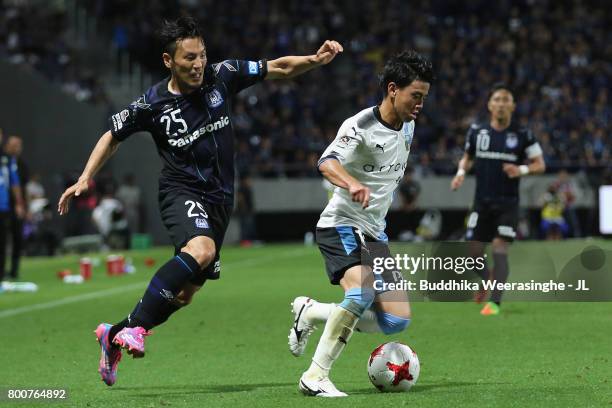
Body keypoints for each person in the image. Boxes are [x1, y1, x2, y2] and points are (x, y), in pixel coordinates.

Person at [57, 16, 343, 387]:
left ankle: (113, 335)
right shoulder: (152, 103)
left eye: (202, 55)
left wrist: (315, 60)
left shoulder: (221, 76)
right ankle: (138, 328)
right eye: (189, 58)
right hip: (181, 191)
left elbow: (278, 68)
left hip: (220, 200)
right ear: (168, 60)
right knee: (202, 250)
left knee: (186, 294)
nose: (197, 64)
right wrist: (85, 178)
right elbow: (112, 135)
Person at [289, 50, 433, 397]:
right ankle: (316, 376)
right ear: (393, 89)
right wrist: (352, 183)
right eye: (416, 96)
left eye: (424, 98)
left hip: (374, 232)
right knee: (361, 292)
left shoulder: (409, 125)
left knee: (396, 320)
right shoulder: (360, 126)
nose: (420, 104)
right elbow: (326, 162)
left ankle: (310, 311)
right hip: (341, 223)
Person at [450, 83, 546, 315]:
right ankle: (487, 277)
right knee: (473, 253)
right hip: (481, 202)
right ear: (490, 105)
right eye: (497, 100)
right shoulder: (477, 132)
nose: (501, 104)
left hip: (508, 204)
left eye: (506, 100)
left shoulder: (524, 135)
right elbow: (467, 158)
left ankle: (494, 302)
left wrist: (521, 170)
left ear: (513, 106)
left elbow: (540, 164)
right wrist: (461, 173)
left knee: (500, 249)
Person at [0, 134, 26, 284]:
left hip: (3, 206)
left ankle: (2, 274)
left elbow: (15, 182)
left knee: (3, 241)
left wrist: (18, 203)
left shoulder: (7, 159)